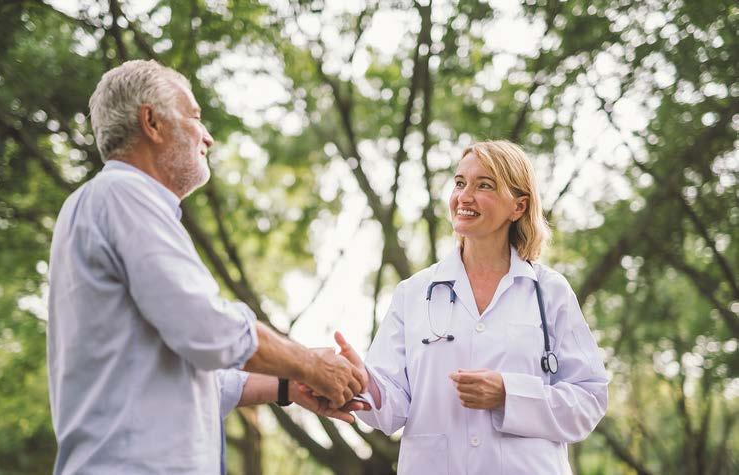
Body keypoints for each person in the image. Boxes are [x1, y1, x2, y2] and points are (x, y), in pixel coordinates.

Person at [47, 60, 366, 475]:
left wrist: (289, 385)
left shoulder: (109, 205)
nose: (208, 137)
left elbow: (194, 380)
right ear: (152, 122)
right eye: (195, 117)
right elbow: (207, 330)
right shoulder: (124, 195)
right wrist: (309, 363)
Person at [337, 140, 609, 474]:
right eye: (460, 183)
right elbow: (391, 408)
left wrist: (508, 394)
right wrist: (360, 380)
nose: (464, 196)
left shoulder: (550, 292)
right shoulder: (414, 293)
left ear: (518, 207)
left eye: (484, 185)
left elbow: (589, 400)